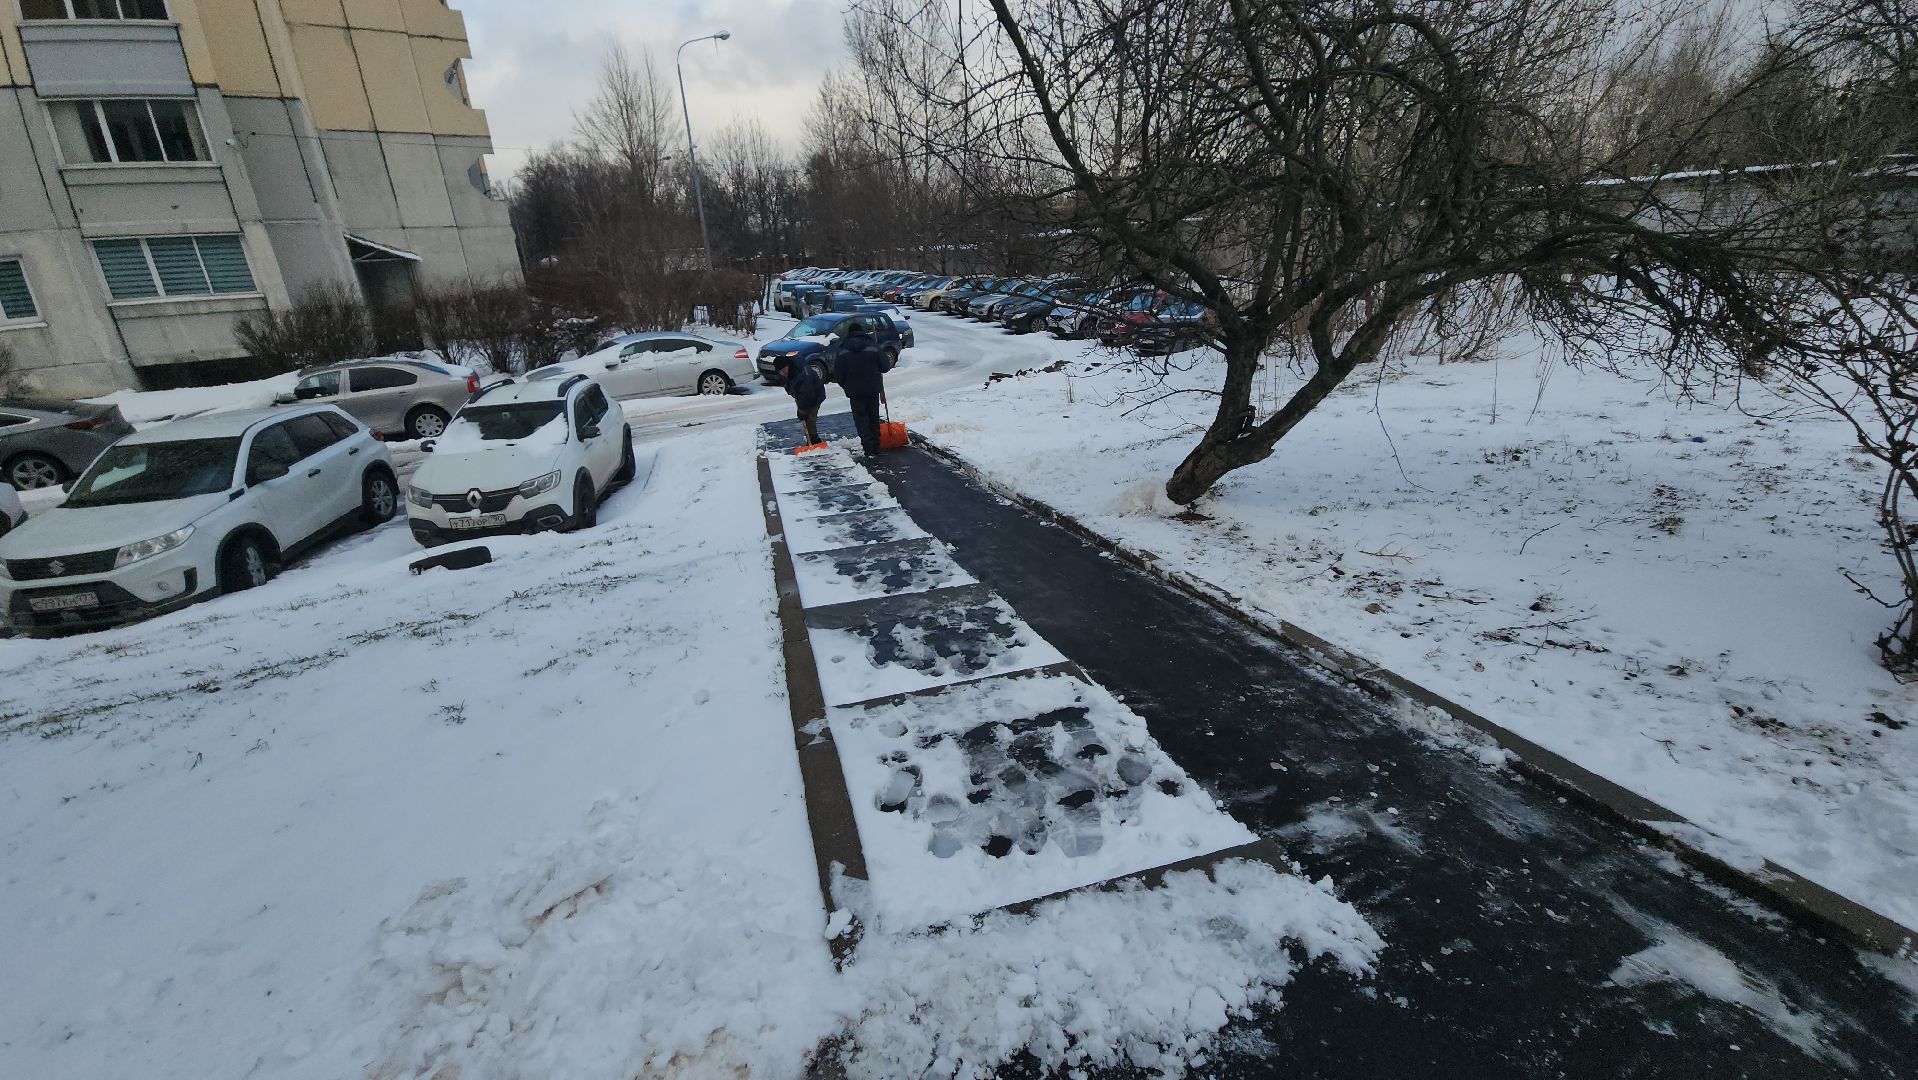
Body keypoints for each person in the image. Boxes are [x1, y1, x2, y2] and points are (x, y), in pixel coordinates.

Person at [830, 320, 889, 454]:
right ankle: (876, 447)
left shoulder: (843, 350)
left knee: (861, 420)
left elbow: (838, 374)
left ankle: (869, 450)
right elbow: (885, 367)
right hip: (873, 389)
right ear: (862, 332)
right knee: (874, 418)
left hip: (855, 393)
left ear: (849, 334)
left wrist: (847, 386)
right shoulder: (873, 346)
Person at [774, 355, 826, 447]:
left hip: (815, 395)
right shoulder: (788, 371)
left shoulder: (803, 375)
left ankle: (814, 441)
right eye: (780, 372)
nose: (782, 373)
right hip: (803, 395)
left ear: (787, 366)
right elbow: (788, 383)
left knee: (810, 418)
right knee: (806, 417)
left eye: (783, 371)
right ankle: (811, 439)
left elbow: (807, 395)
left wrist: (802, 411)